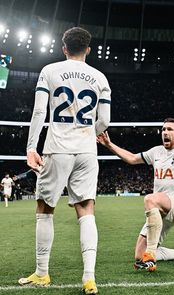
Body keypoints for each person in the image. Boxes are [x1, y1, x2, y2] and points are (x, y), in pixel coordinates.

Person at [18, 27, 111, 294]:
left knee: (45, 209)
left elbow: (38, 111)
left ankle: (42, 273)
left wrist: (31, 147)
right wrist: (88, 134)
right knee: (86, 210)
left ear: (64, 47)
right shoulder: (100, 77)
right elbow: (105, 121)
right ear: (89, 49)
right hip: (86, 151)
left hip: (57, 147)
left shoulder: (50, 71)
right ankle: (89, 278)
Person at [97, 118, 174, 271]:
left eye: (170, 129)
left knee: (150, 199)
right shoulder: (156, 152)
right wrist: (108, 145)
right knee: (139, 256)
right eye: (163, 129)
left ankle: (151, 255)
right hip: (158, 210)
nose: (165, 132)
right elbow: (132, 159)